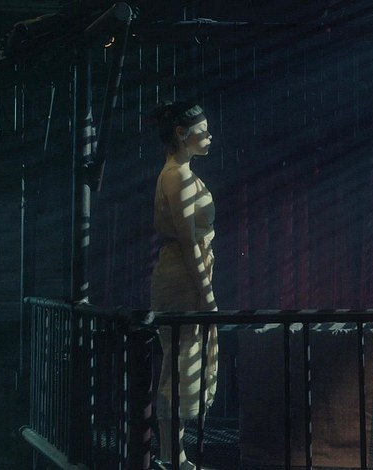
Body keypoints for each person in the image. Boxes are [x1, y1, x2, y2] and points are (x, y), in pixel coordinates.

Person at [150, 100, 219, 470]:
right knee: (179, 365)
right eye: (202, 131)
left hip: (187, 273)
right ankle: (171, 456)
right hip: (182, 278)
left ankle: (173, 455)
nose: (209, 136)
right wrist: (206, 293)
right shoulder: (176, 175)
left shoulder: (183, 173)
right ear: (181, 133)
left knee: (181, 364)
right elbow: (188, 239)